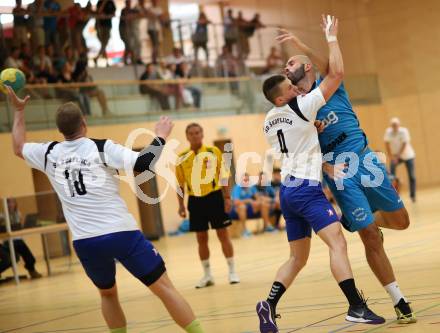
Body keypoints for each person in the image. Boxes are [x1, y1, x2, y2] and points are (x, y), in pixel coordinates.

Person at [7, 85, 205, 333]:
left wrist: (18, 111)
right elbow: (144, 163)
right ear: (84, 123)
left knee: (108, 294)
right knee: (163, 288)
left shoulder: (49, 152)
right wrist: (160, 136)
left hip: (85, 241)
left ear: (60, 130)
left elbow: (18, 146)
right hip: (121, 233)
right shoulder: (101, 147)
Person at [279, 19, 416, 324]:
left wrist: (305, 45)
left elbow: (331, 66)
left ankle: (359, 220)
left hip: (365, 161)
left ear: (308, 68)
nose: (287, 67)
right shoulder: (298, 108)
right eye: (284, 66)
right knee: (370, 235)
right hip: (339, 174)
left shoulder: (329, 87)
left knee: (401, 221)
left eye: (292, 63)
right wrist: (325, 166)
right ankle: (399, 299)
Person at [257, 16, 384, 333]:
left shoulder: (270, 121)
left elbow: (300, 145)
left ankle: (268, 305)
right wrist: (330, 38)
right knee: (338, 245)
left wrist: (323, 162)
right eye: (290, 86)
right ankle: (356, 306)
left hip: (287, 191)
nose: (296, 86)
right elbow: (337, 73)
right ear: (282, 97)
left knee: (297, 259)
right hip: (306, 190)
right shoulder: (302, 106)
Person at [176, 123, 239, 288]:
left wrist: (227, 197)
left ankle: (232, 271)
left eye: (197, 132)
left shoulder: (213, 152)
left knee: (223, 235)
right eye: (191, 133)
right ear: (187, 136)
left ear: (202, 134)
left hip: (215, 197)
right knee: (201, 239)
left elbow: (224, 175)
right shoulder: (182, 157)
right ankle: (207, 275)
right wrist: (181, 206)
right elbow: (180, 184)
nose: (195, 136)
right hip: (195, 201)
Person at [0, 199, 43, 280]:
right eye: (9, 203)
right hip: (8, 241)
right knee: (15, 255)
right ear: (5, 205)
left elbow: (20, 227)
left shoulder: (18, 214)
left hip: (18, 239)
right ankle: (31, 270)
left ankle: (31, 269)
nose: (11, 205)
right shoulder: (2, 216)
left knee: (29, 256)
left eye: (12, 203)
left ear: (15, 204)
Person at [230, 173, 273, 237]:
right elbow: (236, 202)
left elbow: (258, 198)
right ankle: (244, 231)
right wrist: (248, 201)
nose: (246, 182)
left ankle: (266, 226)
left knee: (264, 204)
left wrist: (258, 202)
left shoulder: (251, 188)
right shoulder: (237, 188)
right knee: (242, 207)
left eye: (247, 180)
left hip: (249, 208)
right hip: (237, 209)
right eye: (244, 180)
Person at [384, 117, 416, 202]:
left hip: (408, 156)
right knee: (391, 176)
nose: (395, 126)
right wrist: (391, 157)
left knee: (412, 175)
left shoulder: (404, 131)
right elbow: (387, 144)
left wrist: (397, 157)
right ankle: (394, 195)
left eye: (396, 125)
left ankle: (413, 196)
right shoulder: (388, 132)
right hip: (395, 157)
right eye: (393, 125)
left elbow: (404, 144)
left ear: (399, 125)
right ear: (391, 126)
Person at [95, 0, 116, 66]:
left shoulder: (111, 2)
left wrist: (107, 15)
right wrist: (104, 3)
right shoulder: (100, 2)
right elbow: (98, 12)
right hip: (100, 25)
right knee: (104, 43)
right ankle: (105, 61)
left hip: (108, 25)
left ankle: (97, 57)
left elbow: (114, 13)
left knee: (104, 43)